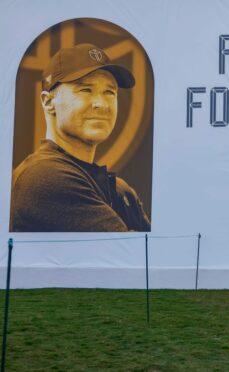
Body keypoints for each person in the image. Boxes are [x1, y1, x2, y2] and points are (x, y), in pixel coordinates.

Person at [10, 43, 150, 232]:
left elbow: (162, 256)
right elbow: (131, 256)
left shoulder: (121, 191)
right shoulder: (44, 177)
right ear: (49, 101)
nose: (101, 104)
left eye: (109, 92)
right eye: (85, 90)